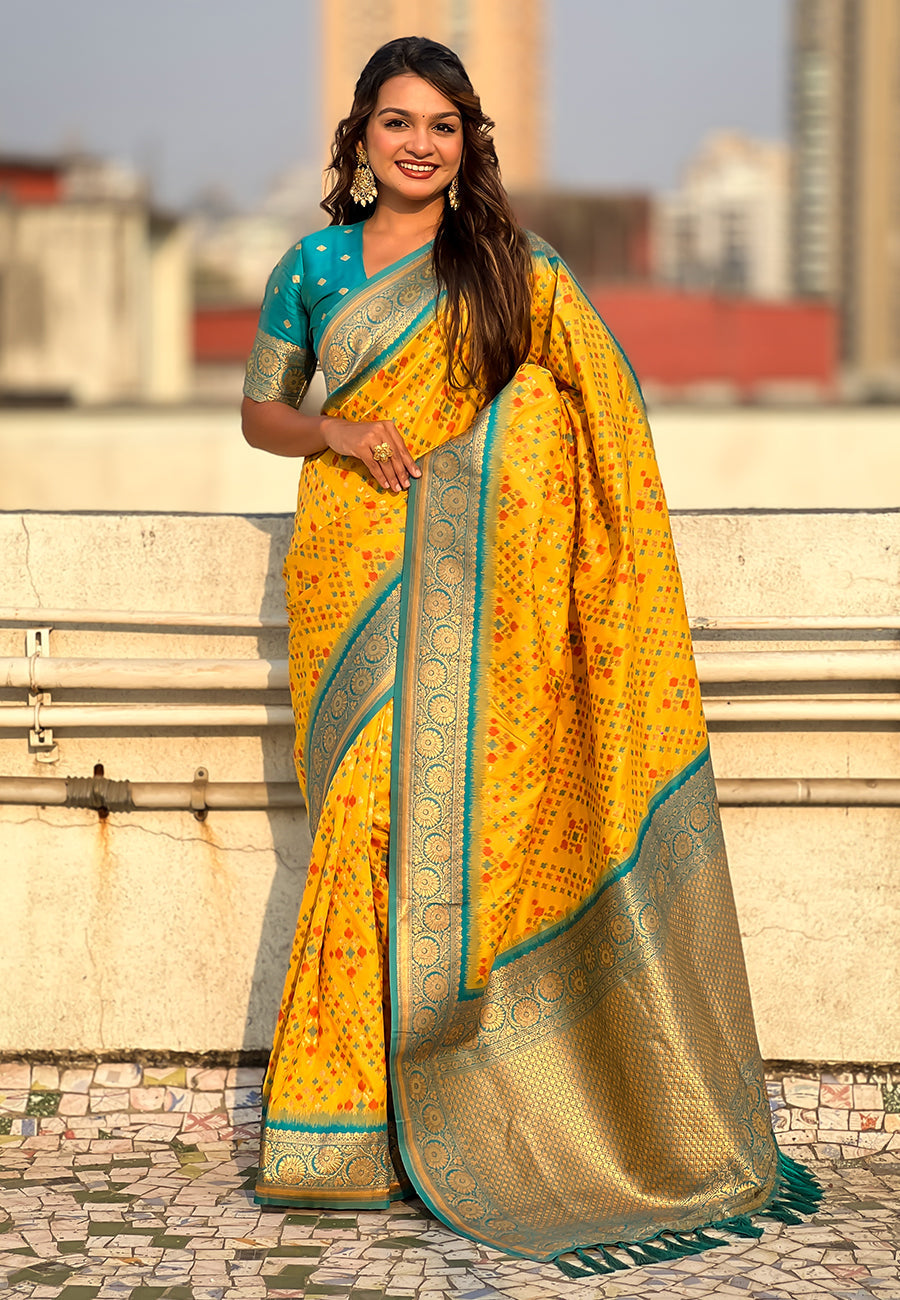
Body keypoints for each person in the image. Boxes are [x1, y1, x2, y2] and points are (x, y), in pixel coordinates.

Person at [241, 35, 821, 1275]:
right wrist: (337, 432)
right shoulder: (312, 266)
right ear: (360, 136)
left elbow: (600, 403)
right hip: (351, 572)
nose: (419, 144)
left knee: (467, 842)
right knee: (360, 826)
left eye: (442, 125)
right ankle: (341, 1133)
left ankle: (474, 1111)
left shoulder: (514, 266)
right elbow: (261, 413)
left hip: (489, 597)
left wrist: (506, 450)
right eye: (398, 122)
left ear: (468, 143)